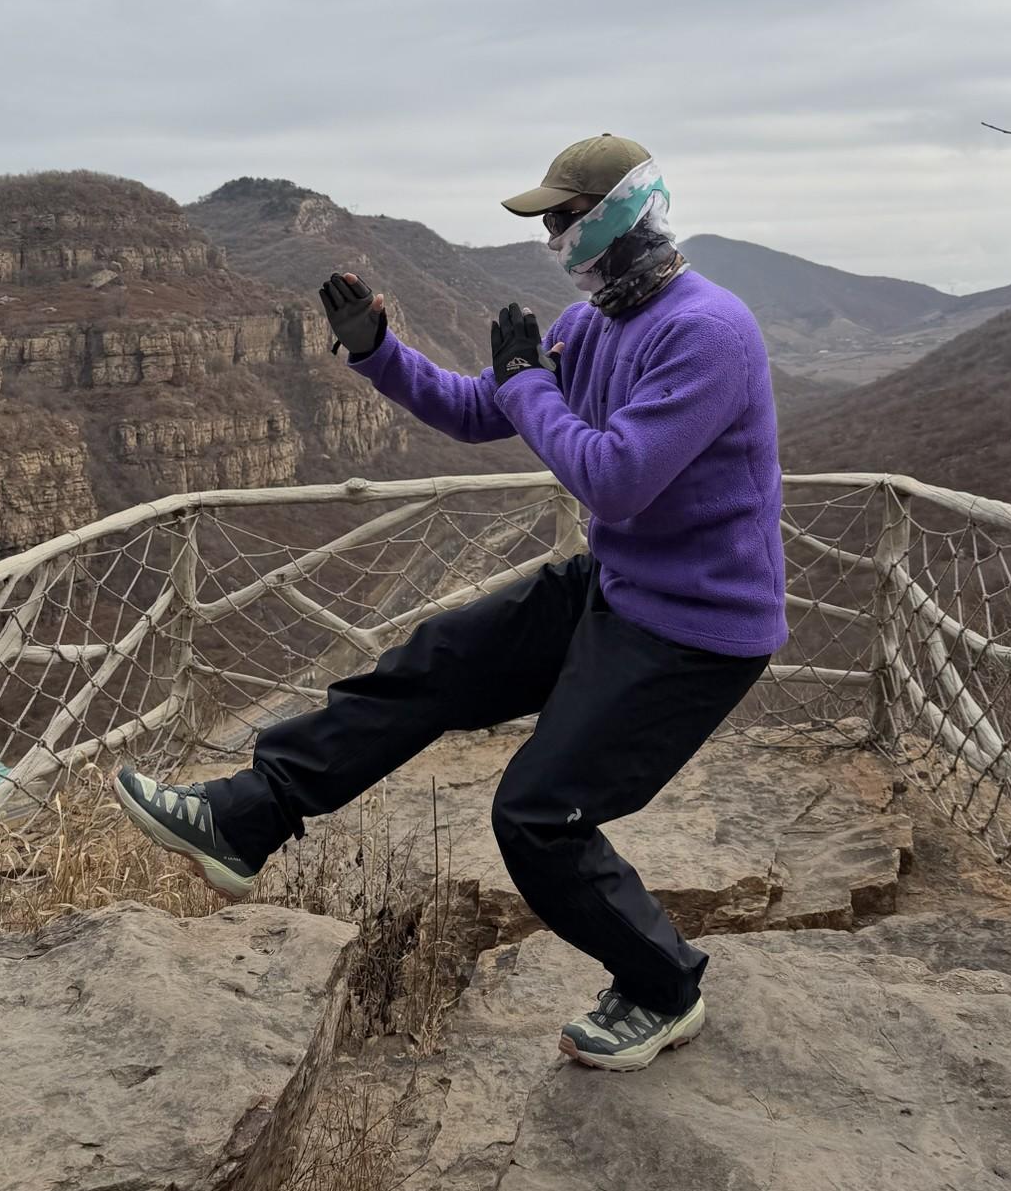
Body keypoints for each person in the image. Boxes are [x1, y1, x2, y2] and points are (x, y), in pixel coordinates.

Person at [111, 134, 787, 1072]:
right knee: (438, 661)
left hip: (697, 628)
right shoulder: (594, 323)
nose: (553, 237)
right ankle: (247, 816)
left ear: (621, 216)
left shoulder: (706, 331)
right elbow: (484, 409)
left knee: (538, 814)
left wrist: (525, 385)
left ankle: (663, 985)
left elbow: (616, 479)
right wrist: (380, 354)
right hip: (621, 584)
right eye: (549, 222)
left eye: (563, 218)